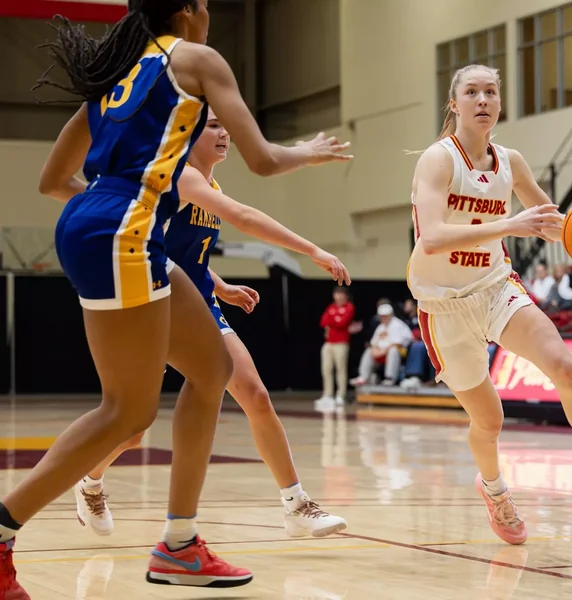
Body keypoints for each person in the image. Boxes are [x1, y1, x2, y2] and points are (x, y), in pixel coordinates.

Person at [1, 1, 351, 595]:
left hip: (106, 223)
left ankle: (180, 545)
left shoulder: (117, 72)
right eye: (206, 5)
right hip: (125, 231)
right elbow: (264, 160)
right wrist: (310, 151)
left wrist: (108, 211)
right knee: (127, 412)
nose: (209, 15)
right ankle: (4, 529)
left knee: (212, 369)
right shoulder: (195, 58)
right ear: (188, 10)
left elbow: (53, 181)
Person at [406, 63, 572, 546]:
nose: (483, 100)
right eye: (471, 92)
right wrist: (509, 225)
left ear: (500, 103)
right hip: (444, 306)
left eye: (490, 91)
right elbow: (432, 237)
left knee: (566, 369)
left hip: (496, 287)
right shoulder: (438, 160)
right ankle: (494, 490)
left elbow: (552, 225)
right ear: (454, 104)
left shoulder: (511, 161)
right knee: (489, 421)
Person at [73, 108, 350, 541]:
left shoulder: (208, 184)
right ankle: (89, 482)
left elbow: (182, 251)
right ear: (187, 132)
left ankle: (297, 505)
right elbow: (244, 216)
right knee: (134, 427)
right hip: (152, 302)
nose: (224, 134)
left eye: (226, 126)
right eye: (214, 126)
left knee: (256, 395)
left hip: (198, 302)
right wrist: (312, 250)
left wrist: (219, 285)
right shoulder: (180, 176)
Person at [318, 286, 355, 407]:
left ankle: (341, 395)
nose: (338, 296)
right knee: (326, 369)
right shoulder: (331, 307)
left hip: (341, 343)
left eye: (340, 294)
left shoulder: (349, 307)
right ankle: (328, 394)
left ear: (346, 296)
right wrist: (335, 318)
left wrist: (332, 319)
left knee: (341, 369)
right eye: (336, 294)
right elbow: (323, 322)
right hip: (328, 342)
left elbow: (342, 323)